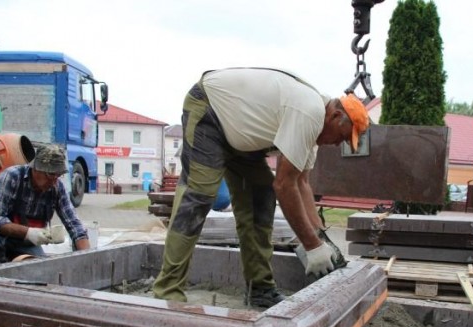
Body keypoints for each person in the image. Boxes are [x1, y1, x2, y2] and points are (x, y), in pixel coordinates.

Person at [152, 67, 369, 307]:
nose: (339, 144)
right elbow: (285, 185)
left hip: (241, 137)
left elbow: (302, 184)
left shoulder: (314, 130)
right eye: (343, 136)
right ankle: (167, 291)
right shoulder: (309, 112)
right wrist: (311, 246)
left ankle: (260, 290)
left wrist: (322, 241)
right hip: (210, 110)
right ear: (336, 116)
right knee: (199, 196)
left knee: (260, 195)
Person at [0, 144, 90, 265]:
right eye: (50, 175)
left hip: (27, 245)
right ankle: (0, 273)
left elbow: (75, 225)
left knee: (41, 269)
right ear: (35, 168)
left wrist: (87, 258)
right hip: (0, 239)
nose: (53, 181)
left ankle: (16, 272)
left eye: (57, 175)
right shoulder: (12, 177)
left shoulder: (57, 187)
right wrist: (29, 233)